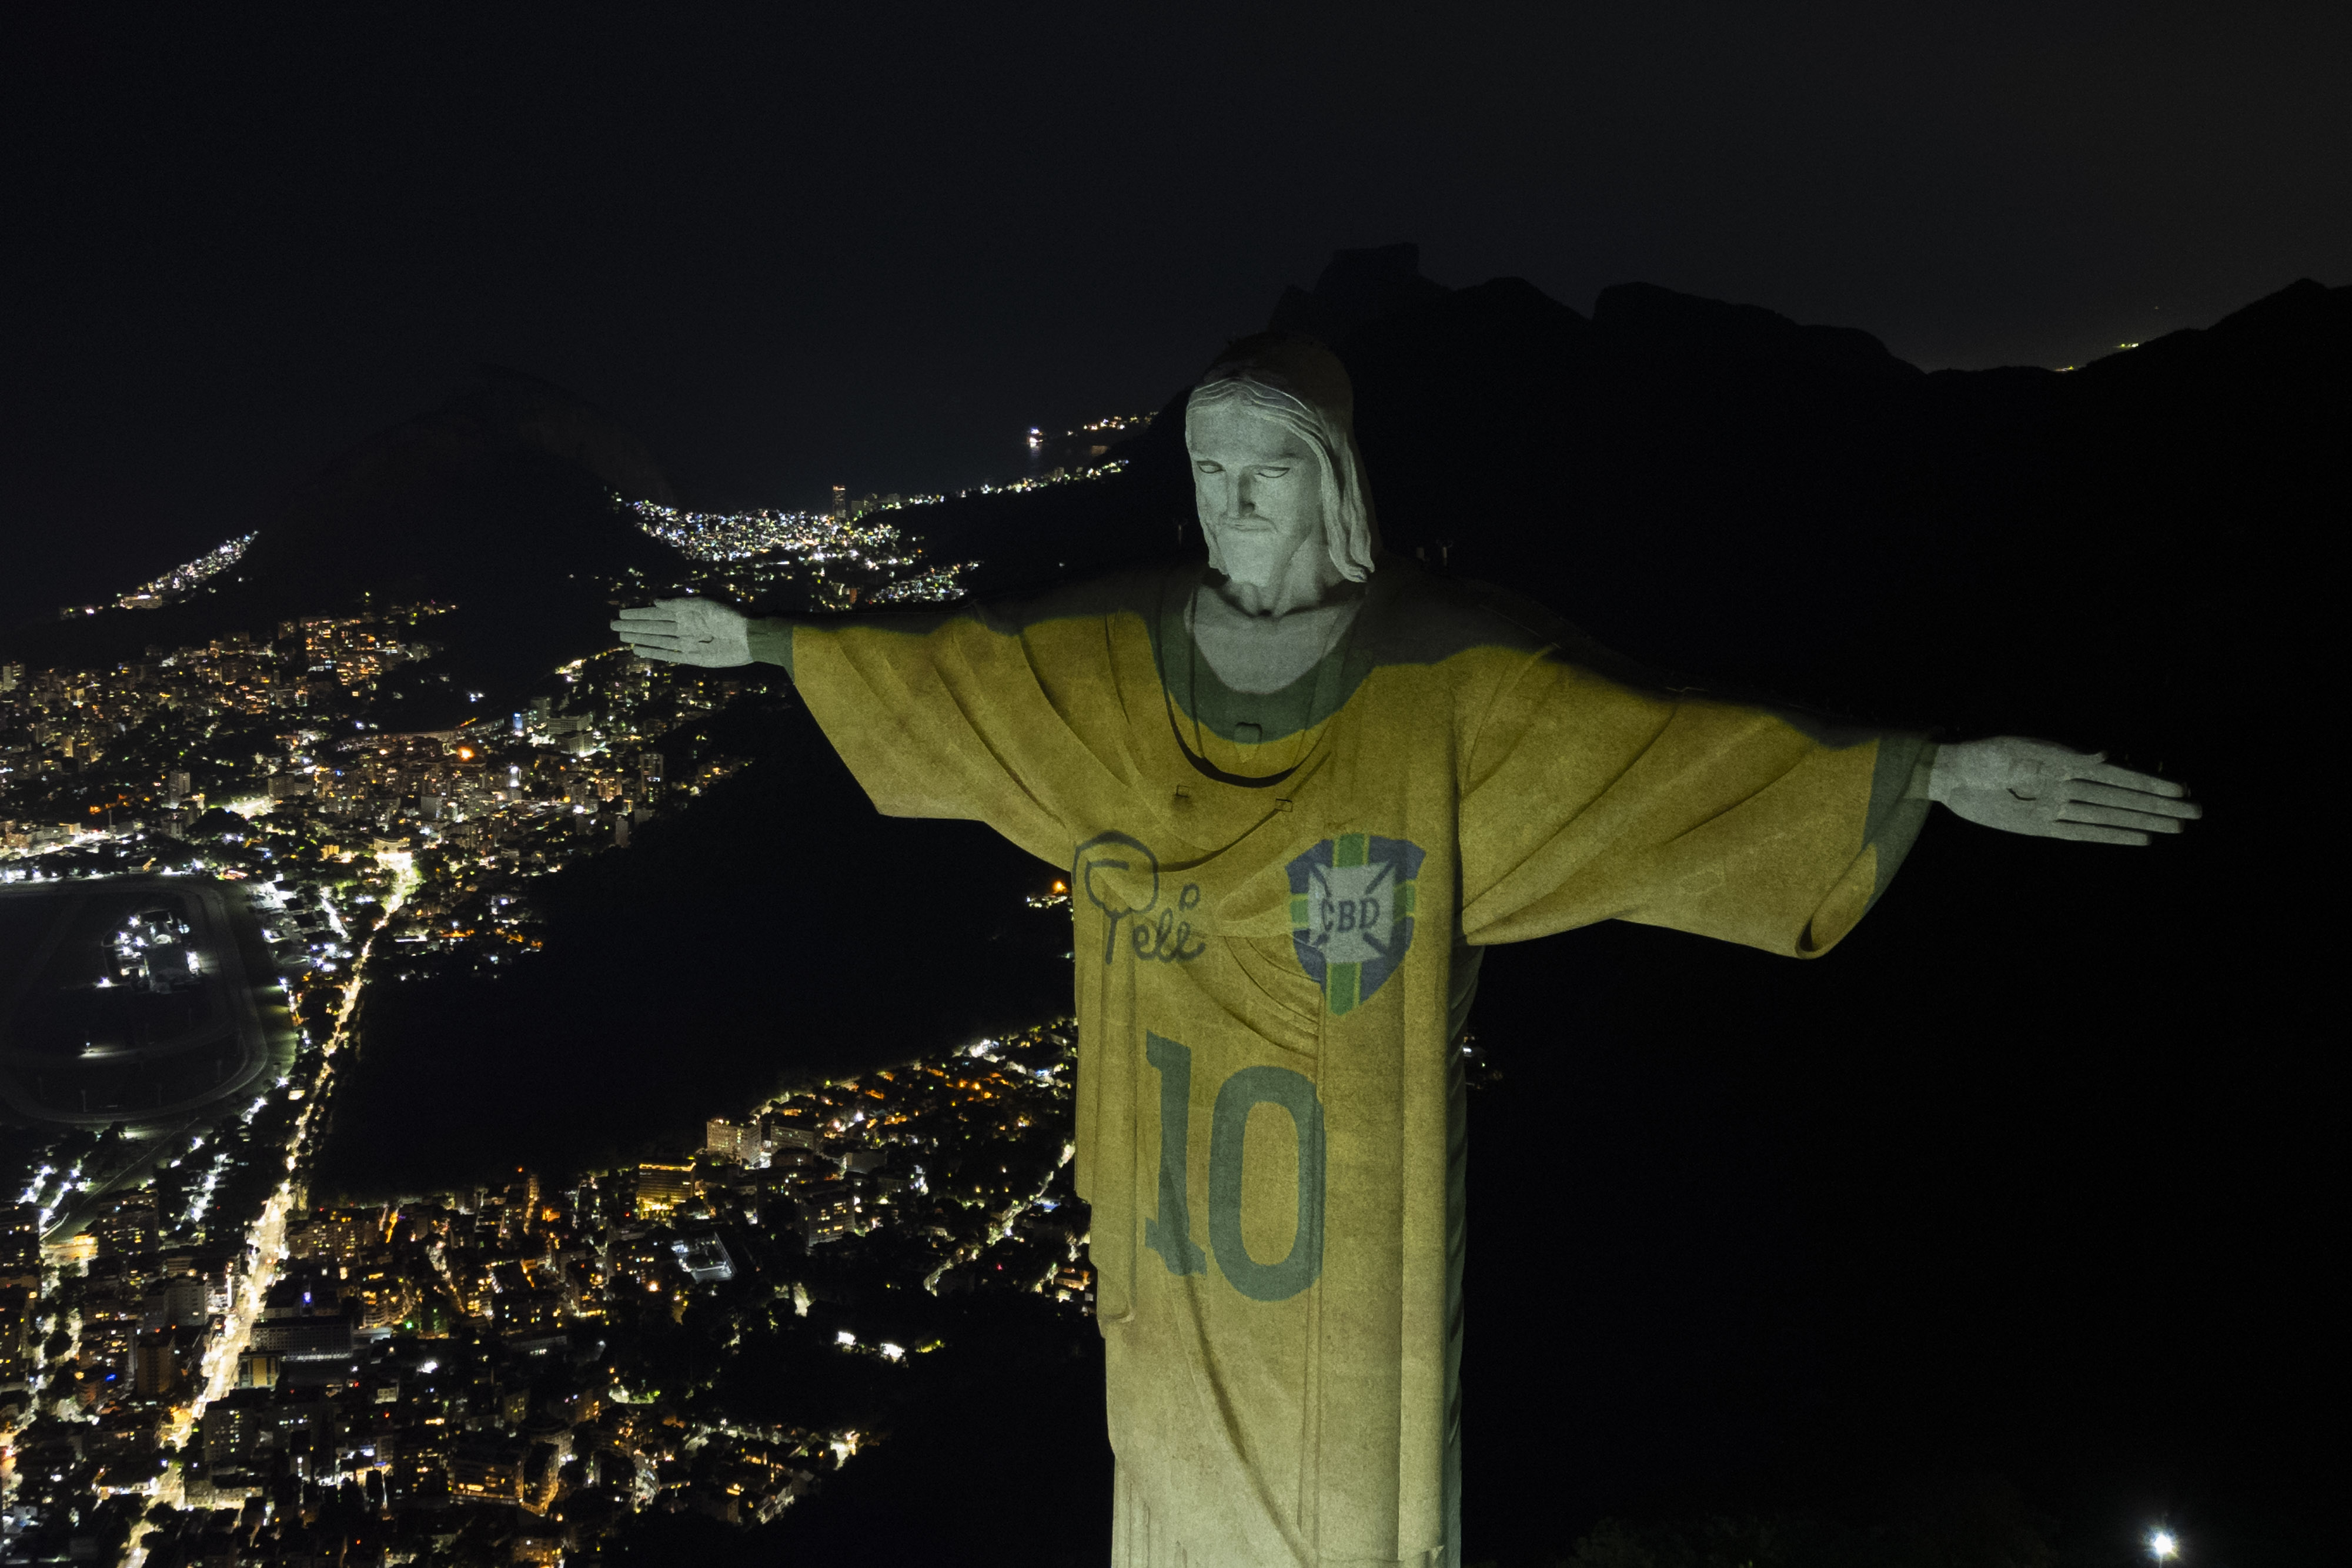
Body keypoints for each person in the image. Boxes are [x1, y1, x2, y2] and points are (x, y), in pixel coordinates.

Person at [613, 333, 2197, 1567]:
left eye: (1264, 475)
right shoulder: (1121, 665)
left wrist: (1921, 772)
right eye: (1210, 471)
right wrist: (767, 644)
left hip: (1341, 1228)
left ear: (1332, 482)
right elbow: (968, 677)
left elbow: (1664, 754)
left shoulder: (1444, 683)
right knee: (1157, 1474)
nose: (1231, 506)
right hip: (1172, 1218)